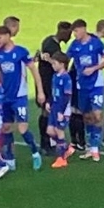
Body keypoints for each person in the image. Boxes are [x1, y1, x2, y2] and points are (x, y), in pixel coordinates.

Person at [0, 25, 45, 170]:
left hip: (19, 97)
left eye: (0, 37)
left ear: (8, 36)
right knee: (6, 127)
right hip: (5, 97)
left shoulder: (21, 52)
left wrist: (40, 91)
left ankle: (35, 153)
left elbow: (34, 71)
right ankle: (10, 159)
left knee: (22, 129)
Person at [66, 19, 104, 162]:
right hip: (82, 85)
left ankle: (95, 149)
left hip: (96, 85)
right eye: (73, 32)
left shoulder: (96, 43)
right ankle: (90, 146)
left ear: (84, 29)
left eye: (76, 31)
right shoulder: (74, 45)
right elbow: (65, 59)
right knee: (87, 117)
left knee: (97, 115)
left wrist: (94, 68)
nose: (75, 34)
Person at [37, 21, 72, 153]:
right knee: (47, 112)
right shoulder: (51, 45)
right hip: (48, 83)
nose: (69, 37)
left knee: (49, 112)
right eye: (68, 33)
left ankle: (51, 143)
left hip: (51, 82)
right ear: (62, 31)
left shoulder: (50, 42)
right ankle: (46, 143)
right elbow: (49, 60)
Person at [46, 52, 74, 169]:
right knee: (50, 131)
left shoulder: (66, 78)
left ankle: (61, 159)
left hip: (62, 109)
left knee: (59, 131)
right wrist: (49, 102)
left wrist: (62, 112)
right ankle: (66, 148)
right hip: (55, 107)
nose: (53, 65)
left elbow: (67, 96)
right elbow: (53, 92)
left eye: (54, 63)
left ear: (62, 64)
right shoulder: (55, 76)